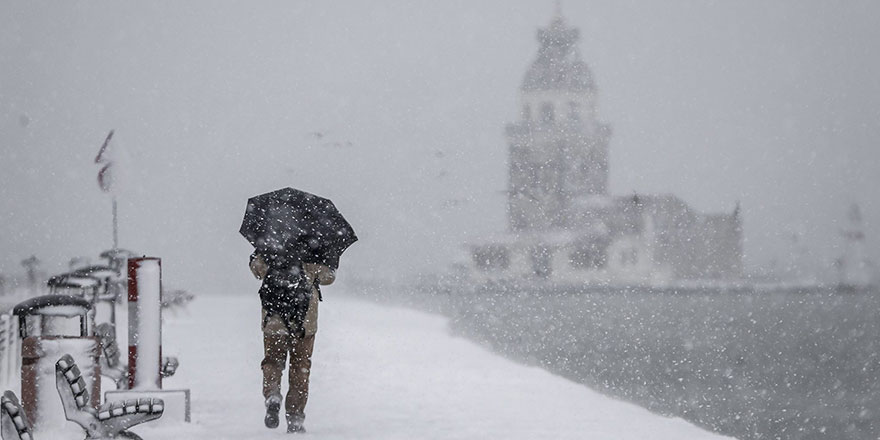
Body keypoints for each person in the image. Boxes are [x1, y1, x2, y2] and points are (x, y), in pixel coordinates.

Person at [250, 241, 336, 434]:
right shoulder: (315, 245)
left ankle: (272, 394)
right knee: (300, 366)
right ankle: (295, 416)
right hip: (304, 320)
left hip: (274, 319)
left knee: (272, 361)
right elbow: (328, 277)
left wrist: (258, 255)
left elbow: (257, 269)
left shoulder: (270, 241)